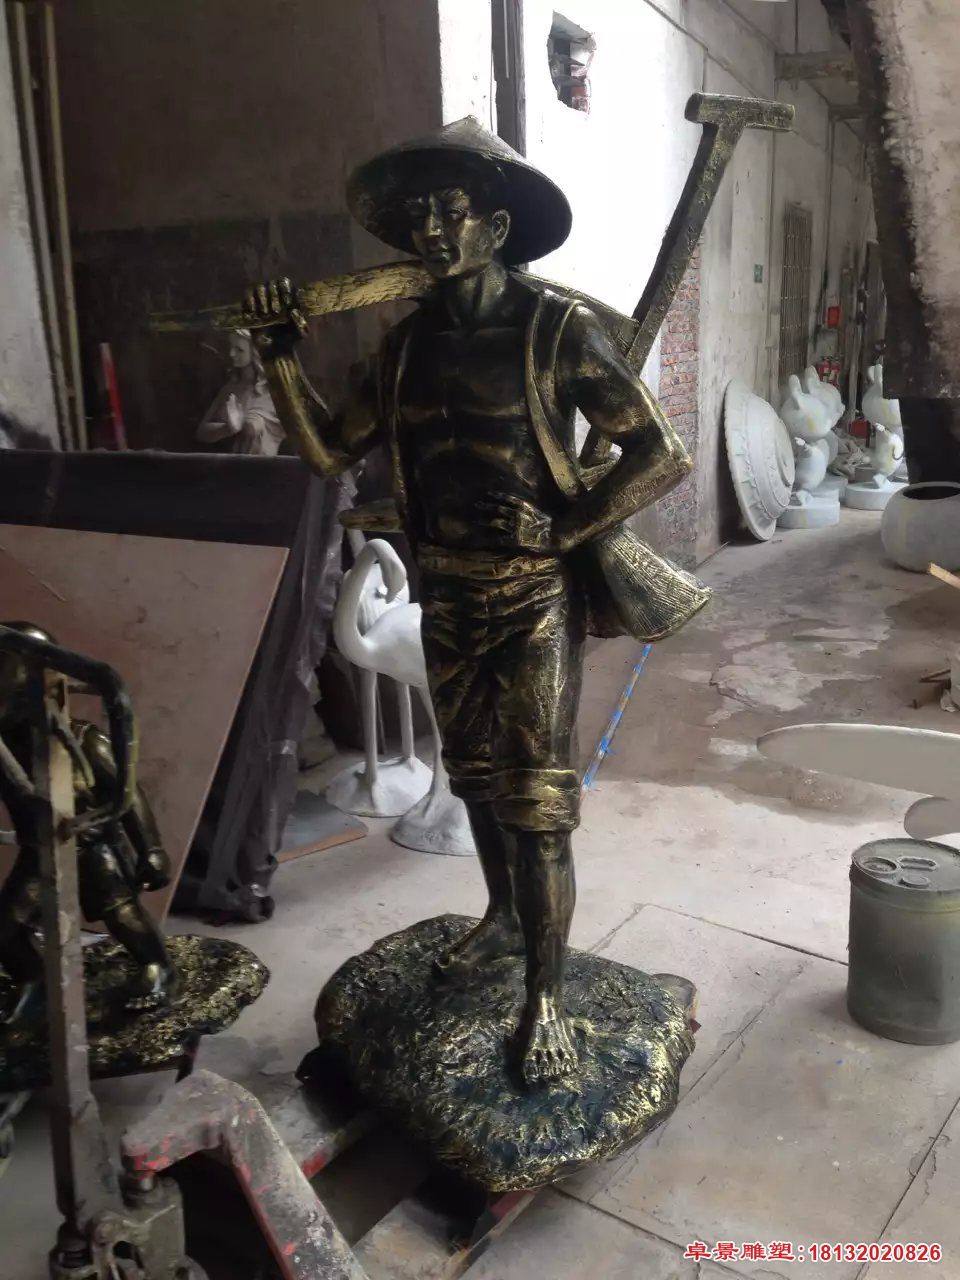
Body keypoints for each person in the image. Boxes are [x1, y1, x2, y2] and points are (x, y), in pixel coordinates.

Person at [245, 117, 700, 1083]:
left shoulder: (556, 330)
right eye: (419, 215)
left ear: (496, 228)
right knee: (477, 781)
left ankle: (547, 996)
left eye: (453, 212)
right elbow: (328, 452)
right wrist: (279, 355)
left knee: (538, 803)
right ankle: (501, 920)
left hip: (533, 595)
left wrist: (566, 531)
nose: (433, 230)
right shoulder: (404, 347)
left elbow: (660, 452)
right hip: (446, 589)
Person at [0, 623, 176, 1022]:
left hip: (92, 845)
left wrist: (151, 848)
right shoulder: (7, 750)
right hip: (38, 850)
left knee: (121, 912)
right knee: (6, 927)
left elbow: (129, 795)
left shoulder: (84, 740)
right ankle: (35, 978)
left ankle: (157, 967)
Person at [196, 328, 284, 456]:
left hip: (263, 465)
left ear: (255, 352)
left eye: (239, 350)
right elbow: (202, 432)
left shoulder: (272, 392)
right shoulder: (229, 389)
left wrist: (249, 425)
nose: (231, 353)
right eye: (231, 347)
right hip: (231, 464)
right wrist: (227, 429)